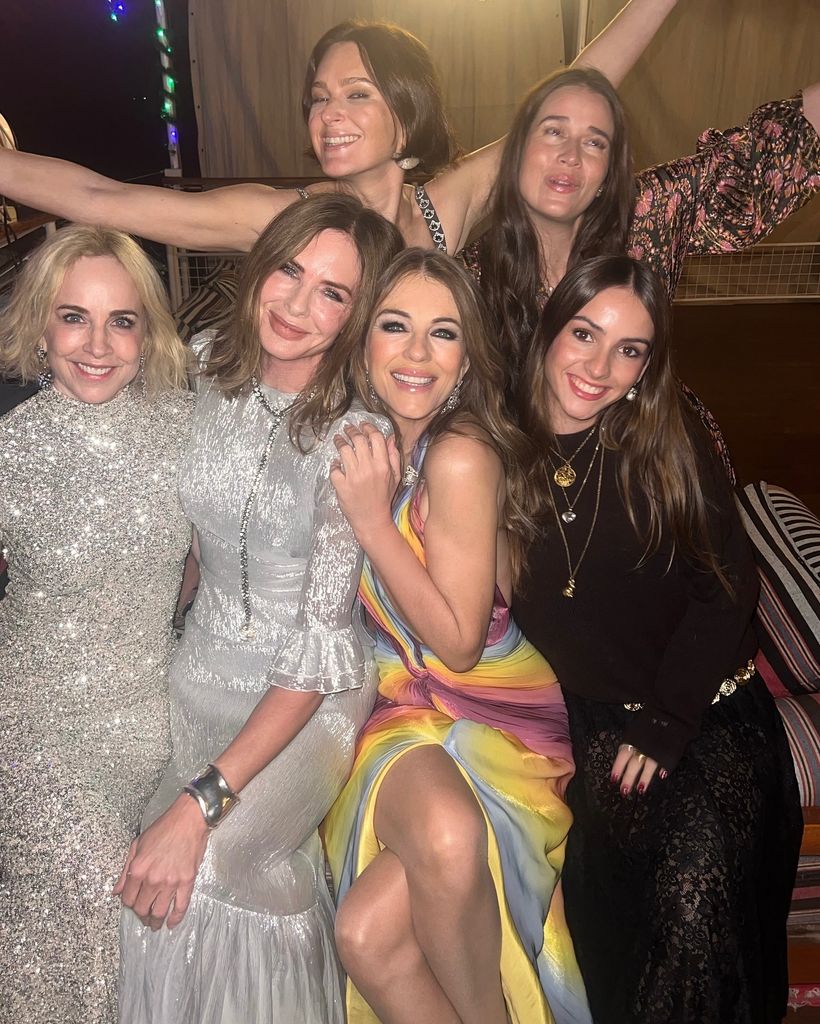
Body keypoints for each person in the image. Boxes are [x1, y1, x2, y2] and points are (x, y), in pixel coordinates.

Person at [115, 194, 403, 1024]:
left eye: (333, 294)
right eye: (290, 270)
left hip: (304, 701)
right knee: (133, 865)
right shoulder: (204, 366)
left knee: (200, 870)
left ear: (356, 316)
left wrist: (203, 800)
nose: (297, 304)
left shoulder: (357, 439)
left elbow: (315, 656)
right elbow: (191, 548)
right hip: (193, 675)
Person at [513, 255, 802, 1024]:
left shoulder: (664, 440)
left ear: (646, 368)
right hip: (589, 719)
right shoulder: (495, 447)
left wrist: (670, 720)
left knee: (696, 887)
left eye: (629, 350)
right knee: (612, 906)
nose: (599, 367)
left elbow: (729, 585)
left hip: (705, 706)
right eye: (584, 333)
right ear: (548, 330)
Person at [322, 249, 590, 1024]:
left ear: (467, 358)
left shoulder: (460, 454)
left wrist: (376, 525)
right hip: (399, 710)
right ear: (363, 340)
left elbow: (460, 643)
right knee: (366, 936)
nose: (415, 354)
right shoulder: (367, 440)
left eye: (442, 334)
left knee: (442, 833)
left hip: (487, 713)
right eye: (394, 326)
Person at [0, 2, 679, 253]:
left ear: (407, 118)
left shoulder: (447, 206)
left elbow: (577, 85)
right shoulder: (281, 218)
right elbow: (105, 200)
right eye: (319, 97)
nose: (328, 115)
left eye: (357, 94)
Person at [0, 224, 192, 1022]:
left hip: (157, 728)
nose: (98, 345)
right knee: (82, 912)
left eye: (122, 320)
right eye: (73, 316)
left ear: (148, 334)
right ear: (41, 325)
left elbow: (201, 568)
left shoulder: (184, 429)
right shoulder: (11, 448)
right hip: (40, 734)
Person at [463, 66, 820, 472]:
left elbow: (769, 152)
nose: (571, 156)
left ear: (608, 171)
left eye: (595, 143)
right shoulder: (474, 275)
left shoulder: (648, 213)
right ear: (516, 151)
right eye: (554, 131)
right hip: (538, 482)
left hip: (656, 463)